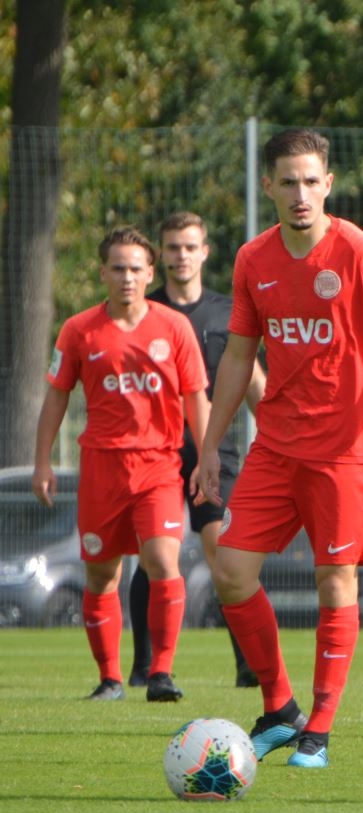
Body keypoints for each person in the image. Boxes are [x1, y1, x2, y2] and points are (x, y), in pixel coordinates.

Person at [198, 127, 363, 769]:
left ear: (328, 184)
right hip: (275, 446)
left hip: (343, 450)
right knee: (230, 570)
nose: (300, 194)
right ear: (268, 186)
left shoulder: (360, 251)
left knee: (336, 580)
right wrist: (211, 445)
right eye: (288, 182)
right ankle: (280, 708)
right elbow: (239, 356)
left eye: (311, 181)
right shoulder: (253, 259)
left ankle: (319, 730)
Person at [32, 226, 209, 703]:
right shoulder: (79, 330)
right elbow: (56, 396)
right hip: (102, 469)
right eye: (118, 268)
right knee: (101, 575)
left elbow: (196, 398)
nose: (127, 277)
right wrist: (42, 462)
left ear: (150, 273)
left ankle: (161, 673)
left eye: (135, 269)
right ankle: (110, 679)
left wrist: (206, 456)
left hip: (158, 465)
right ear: (102, 273)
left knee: (163, 560)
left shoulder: (174, 327)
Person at [126, 212, 268, 689]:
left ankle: (247, 662)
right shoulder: (143, 310)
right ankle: (145, 667)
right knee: (154, 555)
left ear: (205, 252)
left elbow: (252, 377)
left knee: (221, 549)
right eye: (172, 247)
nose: (181, 255)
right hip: (158, 453)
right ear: (160, 255)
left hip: (215, 450)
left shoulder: (229, 312)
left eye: (190, 247)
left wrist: (275, 430)